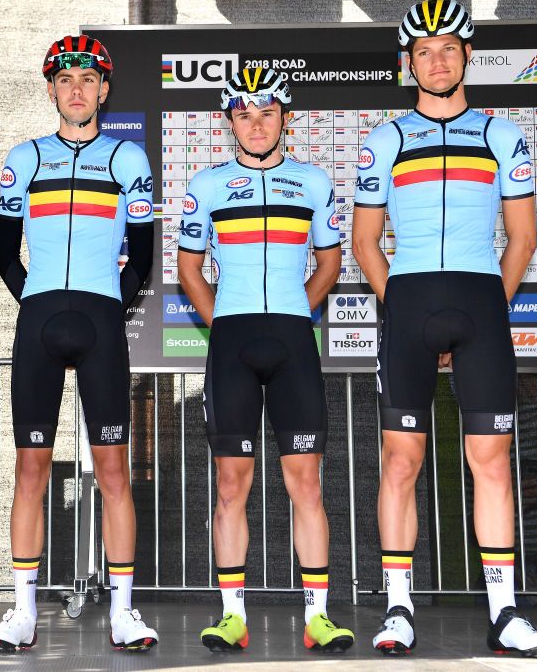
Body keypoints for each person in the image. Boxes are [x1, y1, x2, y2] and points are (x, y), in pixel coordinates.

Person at [352, 0, 537, 657]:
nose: (435, 60)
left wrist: (486, 307)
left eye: (448, 48)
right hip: (409, 301)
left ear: (468, 55)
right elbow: (363, 243)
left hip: (482, 305)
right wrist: (403, 306)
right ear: (407, 62)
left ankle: (505, 611)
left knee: (490, 461)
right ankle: (399, 607)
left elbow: (523, 237)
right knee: (401, 460)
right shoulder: (385, 139)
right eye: (423, 51)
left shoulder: (502, 134)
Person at [0, 35, 157, 652]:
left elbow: (142, 254)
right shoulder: (23, 158)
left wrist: (111, 306)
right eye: (66, 79)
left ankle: (123, 613)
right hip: (39, 320)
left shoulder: (127, 160)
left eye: (88, 78)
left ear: (104, 89)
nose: (77, 88)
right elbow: (6, 251)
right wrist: (37, 302)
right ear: (52, 89)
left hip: (100, 321)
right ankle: (23, 611)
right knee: (30, 469)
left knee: (114, 470)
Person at [178, 67, 352, 653]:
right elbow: (188, 269)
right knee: (232, 484)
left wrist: (288, 312)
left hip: (293, 341)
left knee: (307, 483)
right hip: (232, 343)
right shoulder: (206, 185)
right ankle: (232, 615)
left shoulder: (313, 182)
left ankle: (318, 617)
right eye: (244, 114)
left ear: (286, 117)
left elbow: (328, 264)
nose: (256, 124)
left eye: (267, 112)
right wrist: (223, 321)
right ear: (230, 121)